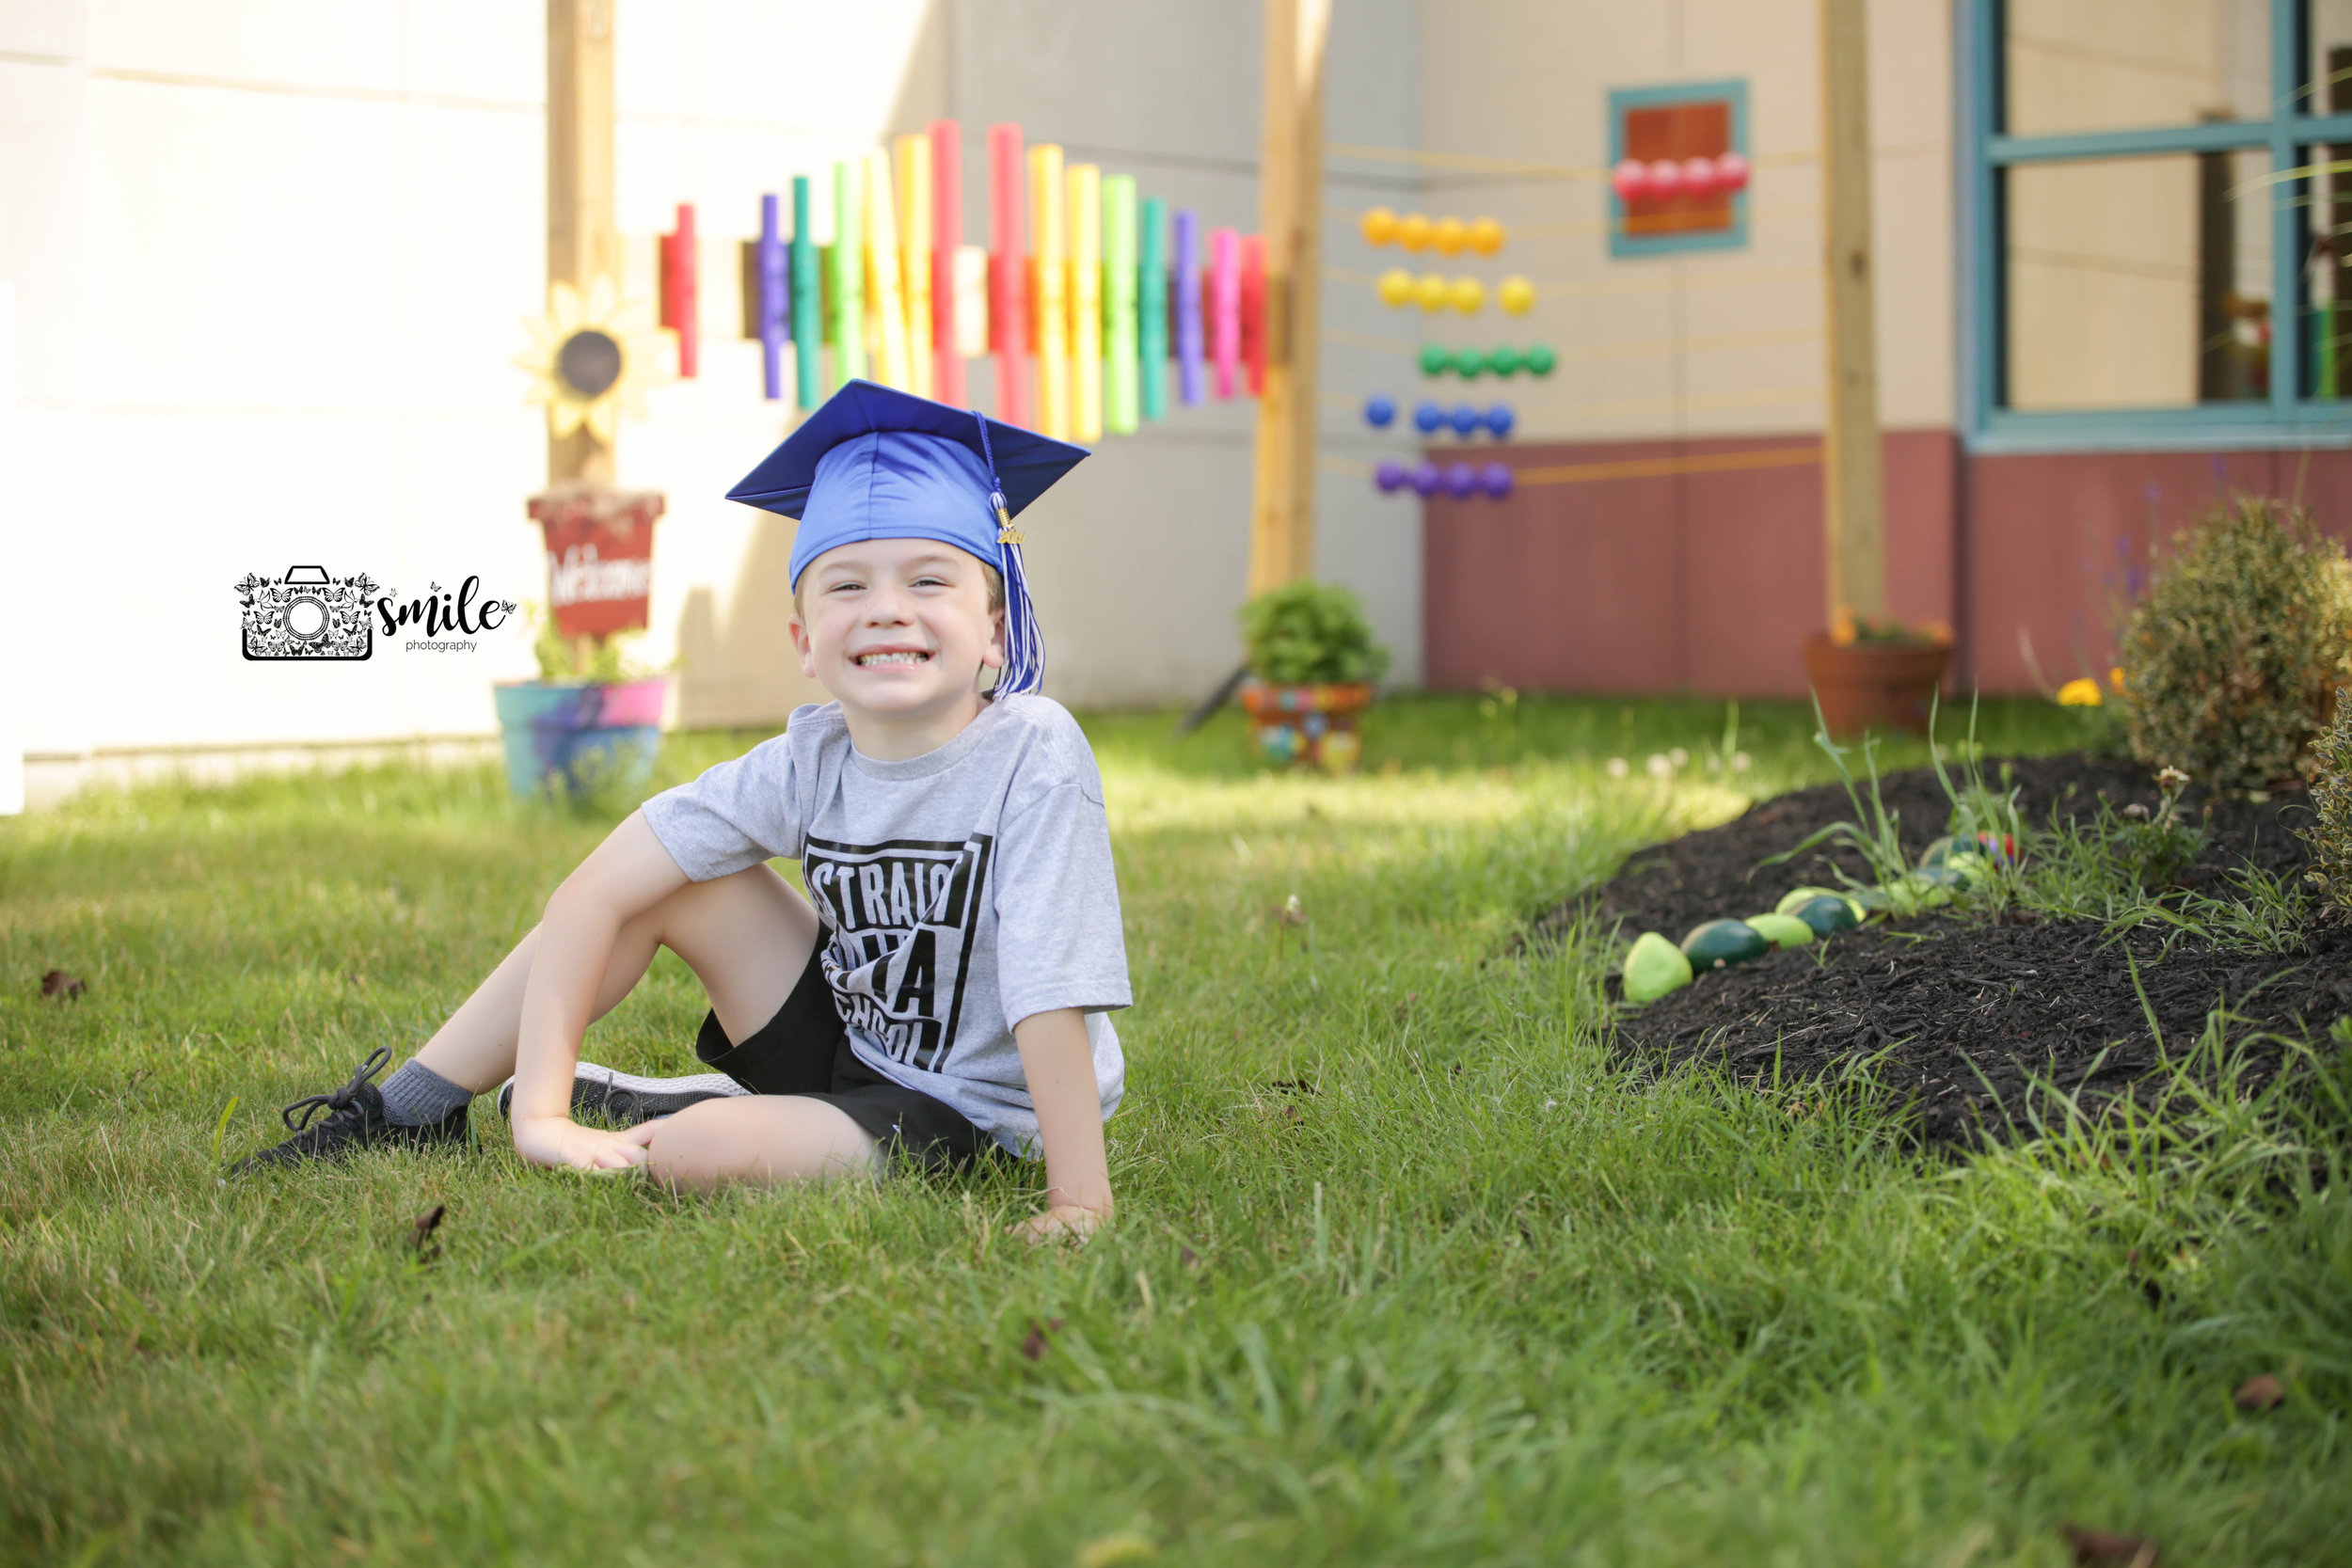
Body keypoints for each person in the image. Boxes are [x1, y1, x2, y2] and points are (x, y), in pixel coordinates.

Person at [230, 381, 1130, 1242]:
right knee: (676, 883)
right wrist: (539, 1113)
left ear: (999, 626)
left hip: (971, 1112)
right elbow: (595, 893)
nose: (887, 610)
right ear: (803, 641)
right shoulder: (810, 756)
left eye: (930, 582)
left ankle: (691, 1110)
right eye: (846, 587)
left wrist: (1078, 1197)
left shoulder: (1032, 753)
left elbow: (1054, 985)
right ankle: (410, 1110)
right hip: (855, 1050)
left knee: (692, 1155)